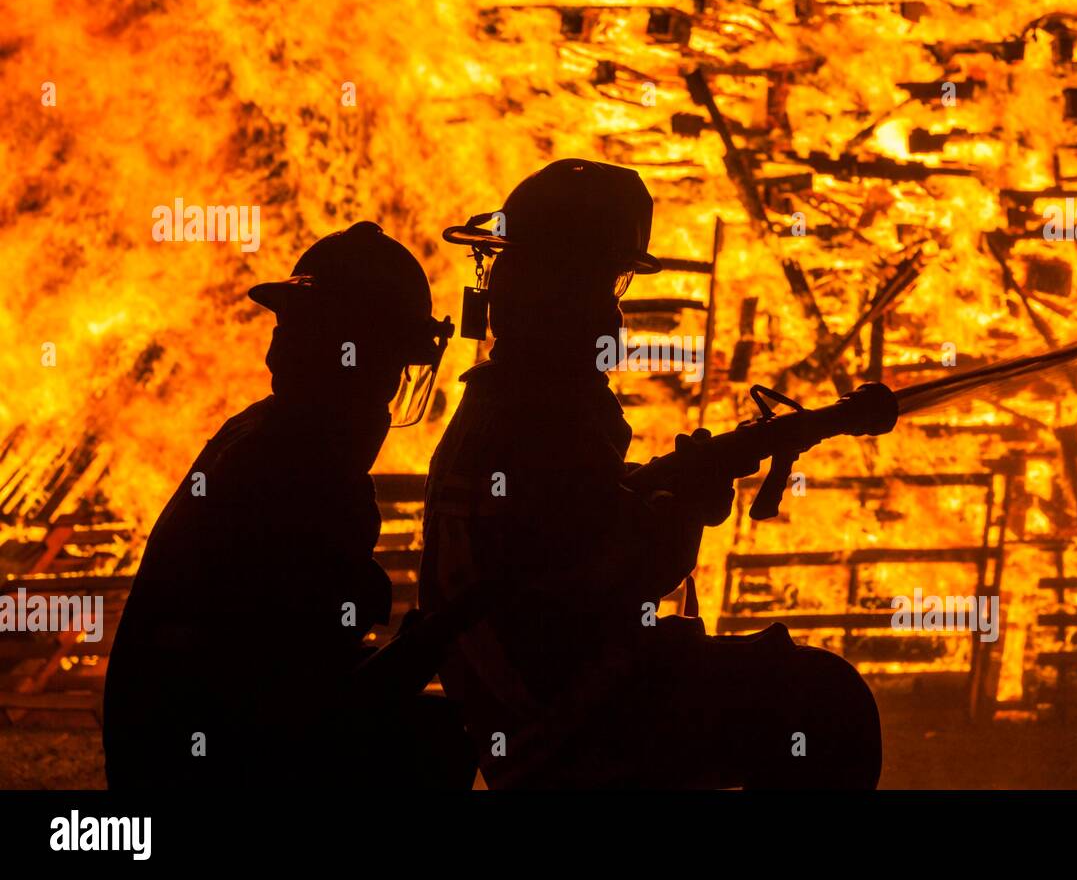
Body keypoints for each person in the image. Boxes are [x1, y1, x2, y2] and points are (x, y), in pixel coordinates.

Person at [424, 160, 883, 788]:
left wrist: (658, 484)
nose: (613, 310)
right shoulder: (545, 409)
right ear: (569, 287)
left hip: (529, 703)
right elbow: (613, 575)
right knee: (824, 704)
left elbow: (564, 520)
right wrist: (679, 510)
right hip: (572, 718)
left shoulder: (501, 399)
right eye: (607, 281)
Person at [103, 221, 473, 789]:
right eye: (389, 370)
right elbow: (309, 704)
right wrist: (445, 631)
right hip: (210, 769)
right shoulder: (304, 467)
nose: (390, 390)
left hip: (165, 750)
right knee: (437, 737)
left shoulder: (261, 434)